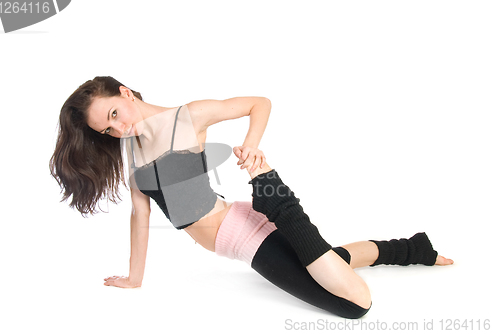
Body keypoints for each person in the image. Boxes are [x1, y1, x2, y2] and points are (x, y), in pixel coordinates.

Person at [49, 76, 454, 319]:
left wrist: (251, 146)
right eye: (107, 130)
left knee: (353, 304)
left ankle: (276, 196)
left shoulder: (187, 116)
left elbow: (260, 103)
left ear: (125, 93)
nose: (118, 130)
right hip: (237, 226)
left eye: (115, 114)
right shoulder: (132, 153)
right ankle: (410, 249)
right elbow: (139, 216)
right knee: (330, 262)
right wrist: (135, 278)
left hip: (242, 236)